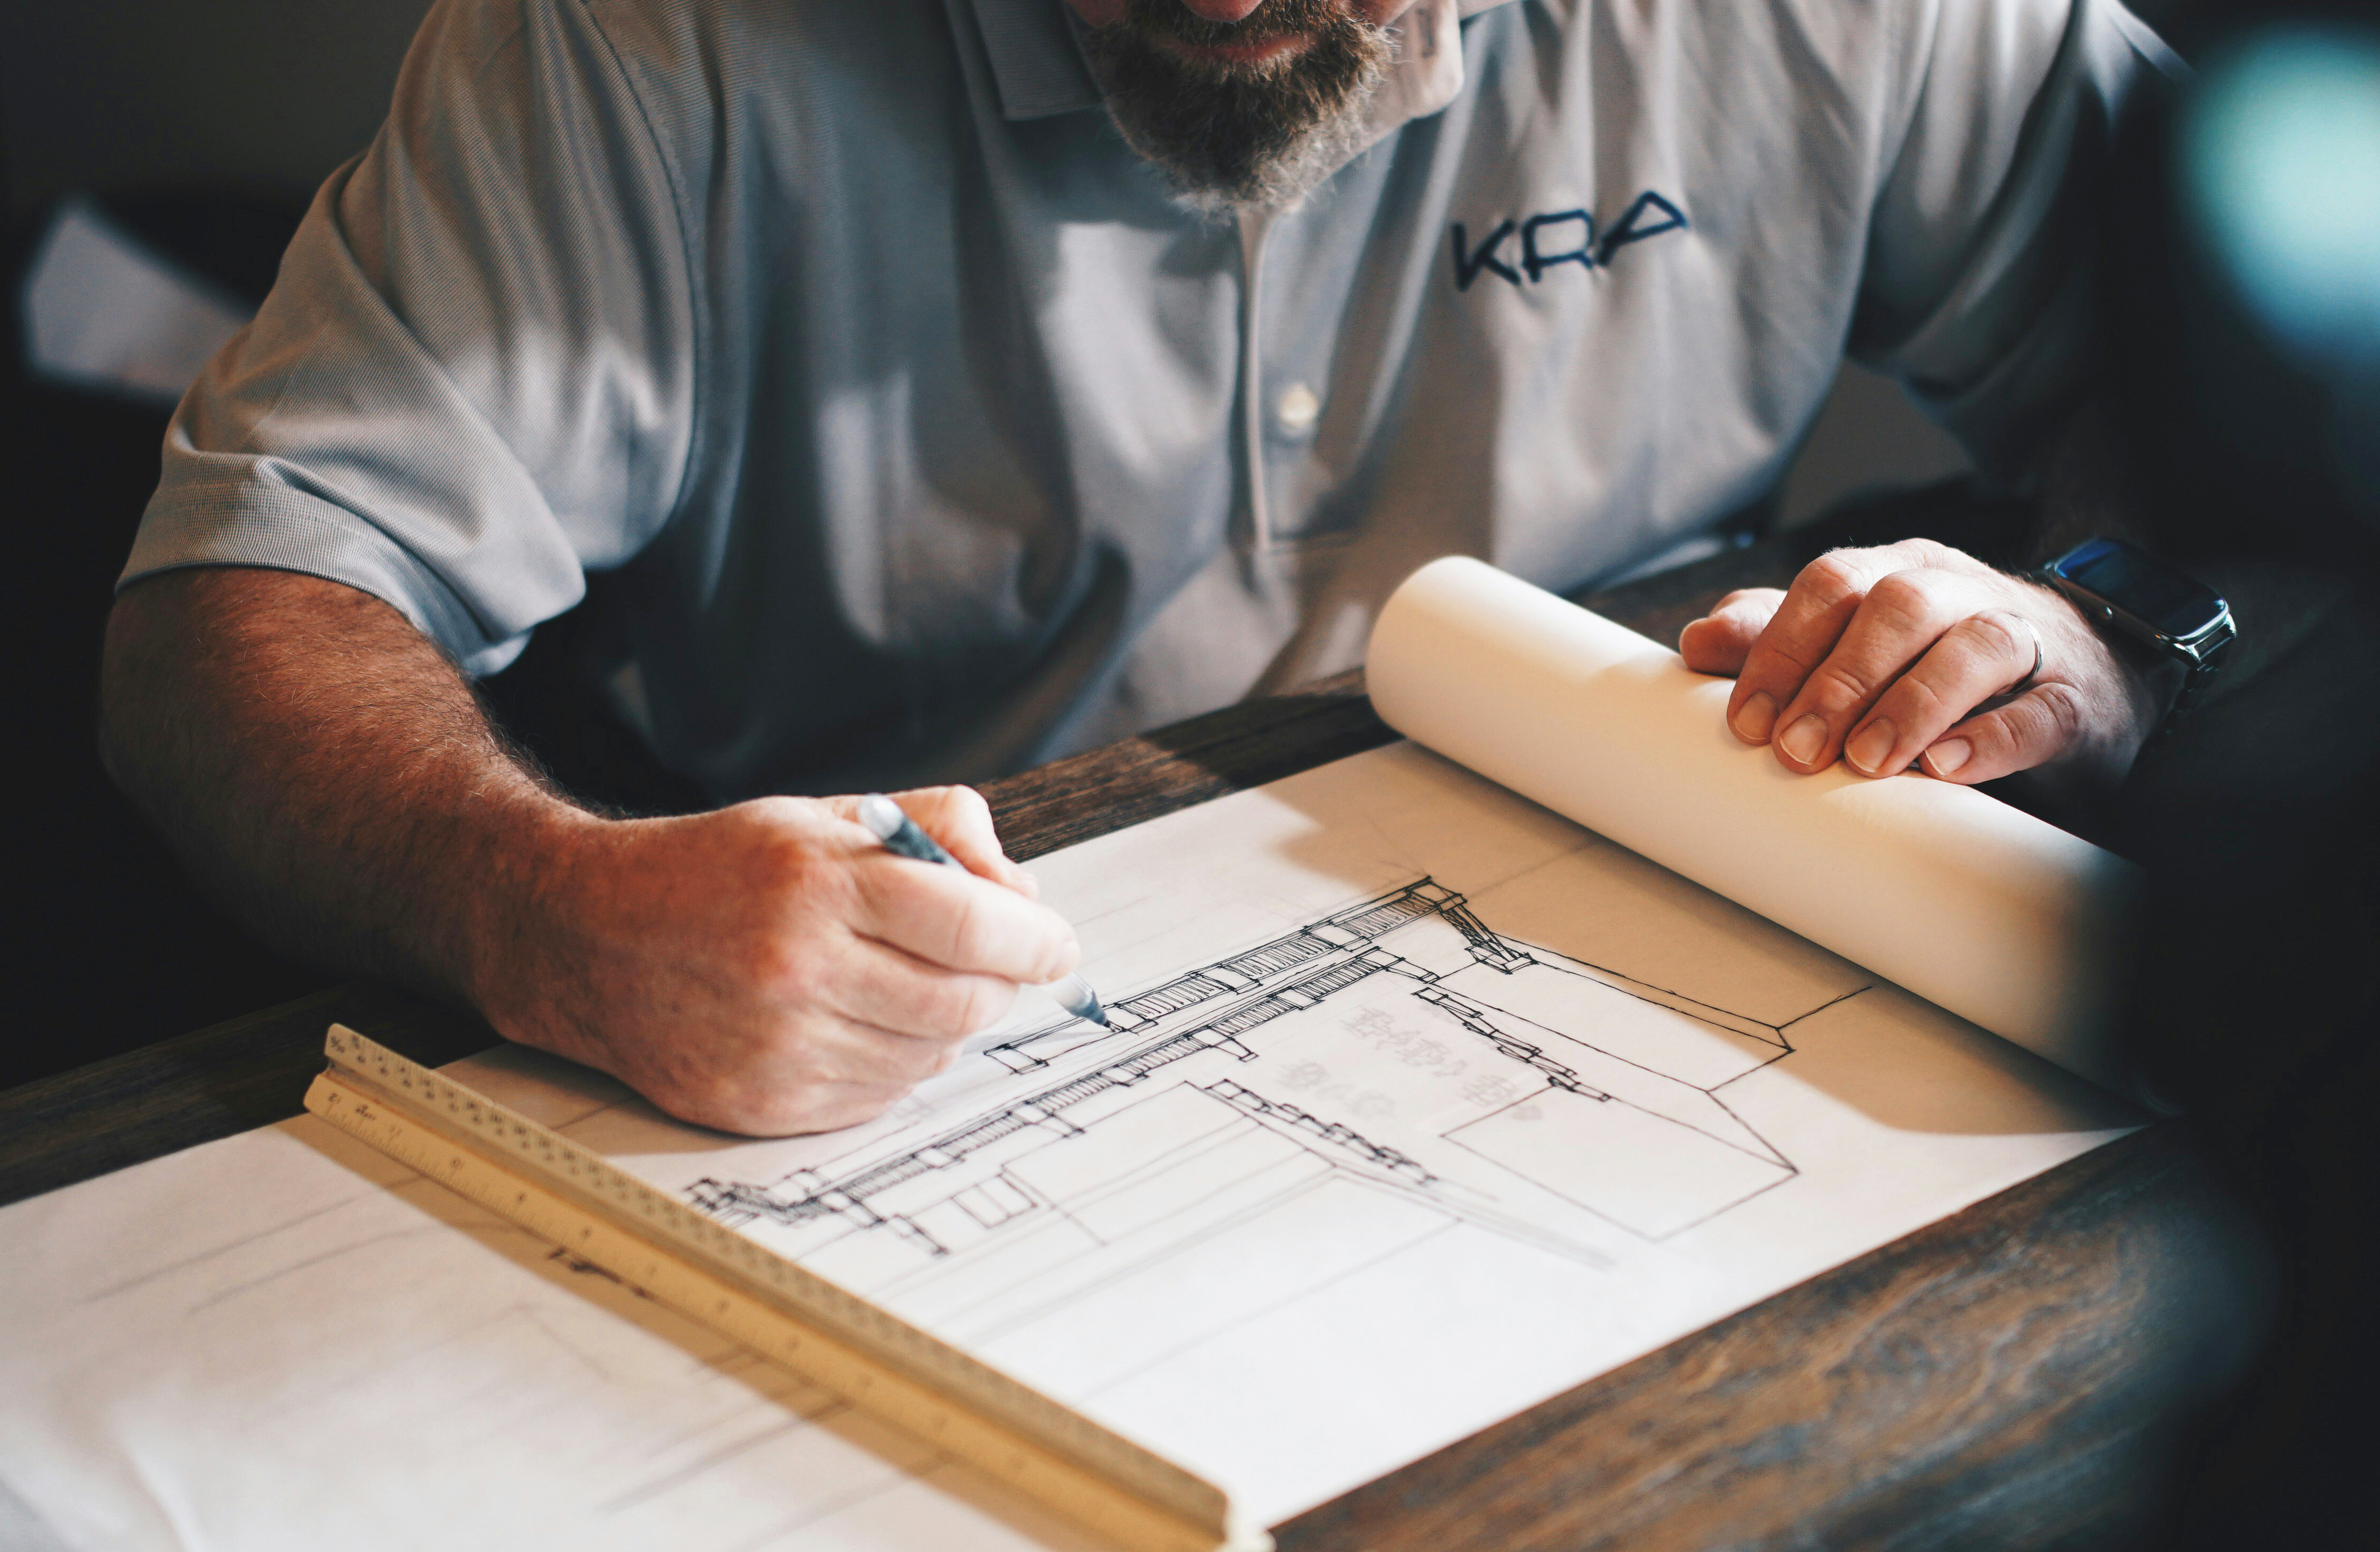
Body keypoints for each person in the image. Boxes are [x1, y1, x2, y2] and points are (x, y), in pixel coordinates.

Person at [100, 0, 2181, 1136]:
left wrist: (2101, 617)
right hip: (920, 1036)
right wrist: (534, 902)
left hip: (1722, 1021)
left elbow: (2264, 418)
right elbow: (237, 610)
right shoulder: (642, 48)